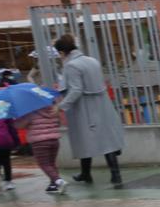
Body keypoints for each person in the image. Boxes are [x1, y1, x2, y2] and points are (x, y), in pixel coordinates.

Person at [53, 34, 125, 187]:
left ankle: (87, 173)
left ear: (62, 52)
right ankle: (114, 175)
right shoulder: (92, 61)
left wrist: (61, 106)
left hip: (84, 109)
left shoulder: (71, 66)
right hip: (102, 105)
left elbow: (76, 90)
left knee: (84, 140)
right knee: (108, 141)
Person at [15, 98, 66, 195]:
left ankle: (59, 181)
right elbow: (58, 123)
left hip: (39, 142)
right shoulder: (53, 110)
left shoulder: (31, 113)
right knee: (51, 163)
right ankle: (53, 185)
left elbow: (18, 125)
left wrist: (16, 118)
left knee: (44, 164)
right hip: (54, 141)